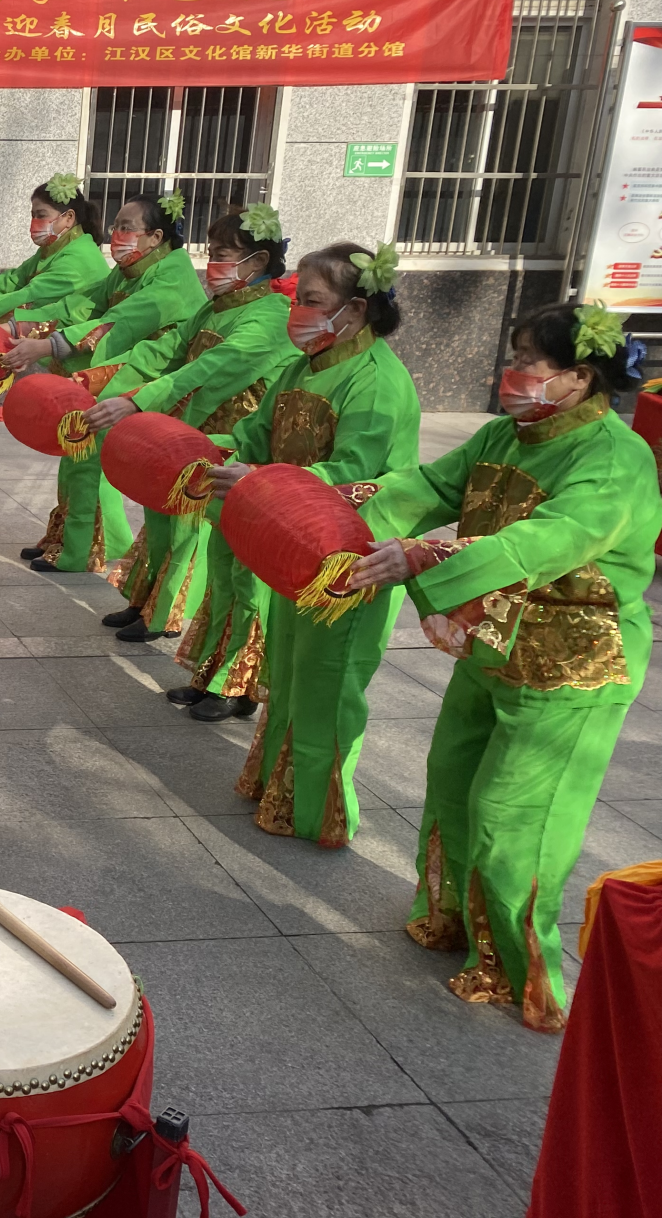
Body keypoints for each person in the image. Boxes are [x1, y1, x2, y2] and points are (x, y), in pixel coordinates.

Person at [348, 303, 658, 1032]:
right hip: (493, 641)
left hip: (573, 663)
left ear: (579, 378)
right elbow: (428, 487)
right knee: (453, 786)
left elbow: (547, 540)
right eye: (512, 358)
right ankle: (453, 922)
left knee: (516, 818)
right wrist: (338, 509)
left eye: (527, 363)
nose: (510, 375)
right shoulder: (504, 435)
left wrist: (427, 555)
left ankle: (524, 973)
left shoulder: (616, 458)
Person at [207, 242, 420, 847]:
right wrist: (219, 454)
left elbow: (355, 474)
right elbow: (256, 431)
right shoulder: (305, 365)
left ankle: (317, 815)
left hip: (352, 559)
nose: (297, 310)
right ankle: (277, 789)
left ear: (356, 309)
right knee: (290, 671)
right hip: (294, 541)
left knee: (328, 684)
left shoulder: (376, 382)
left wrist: (262, 481)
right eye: (299, 297)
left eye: (313, 300)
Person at [86, 205, 297, 683]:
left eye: (224, 254)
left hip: (229, 446)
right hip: (184, 431)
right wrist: (108, 386)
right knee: (160, 517)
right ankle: (145, 601)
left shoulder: (268, 317)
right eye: (213, 251)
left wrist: (137, 401)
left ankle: (167, 616)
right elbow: (166, 350)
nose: (212, 263)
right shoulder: (216, 306)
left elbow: (207, 369)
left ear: (258, 262)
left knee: (192, 533)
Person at [0, 190, 208, 574]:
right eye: (116, 226)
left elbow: (115, 323)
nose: (116, 235)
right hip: (123, 369)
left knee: (83, 449)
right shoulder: (131, 268)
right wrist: (18, 328)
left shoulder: (172, 279)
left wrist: (46, 344)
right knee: (77, 450)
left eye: (127, 227)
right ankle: (82, 538)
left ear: (155, 237)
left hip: (152, 382)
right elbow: (82, 306)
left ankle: (79, 550)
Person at [0, 172, 111, 325]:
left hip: (70, 338)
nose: (34, 222)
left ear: (69, 217)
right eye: (33, 215)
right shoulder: (53, 248)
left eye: (41, 215)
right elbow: (9, 283)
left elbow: (30, 296)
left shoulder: (79, 257)